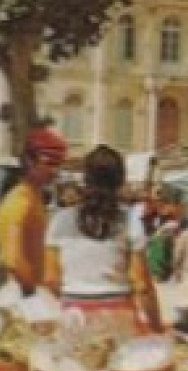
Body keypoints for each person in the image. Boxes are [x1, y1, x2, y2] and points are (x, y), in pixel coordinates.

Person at [42, 144, 163, 338]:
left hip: (74, 315)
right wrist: (157, 328)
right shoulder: (130, 220)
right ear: (120, 180)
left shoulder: (60, 220)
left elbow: (50, 279)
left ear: (85, 179)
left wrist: (77, 299)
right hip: (118, 314)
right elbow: (141, 284)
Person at [0, 126, 68, 293]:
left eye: (58, 164)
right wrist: (34, 294)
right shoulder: (20, 202)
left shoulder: (34, 198)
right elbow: (13, 260)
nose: (54, 171)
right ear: (30, 161)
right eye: (49, 163)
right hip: (23, 297)